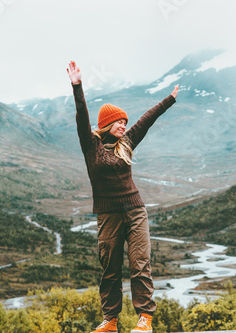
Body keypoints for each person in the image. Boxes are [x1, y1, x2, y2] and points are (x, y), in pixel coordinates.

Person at [66, 61, 179, 333]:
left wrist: (169, 100)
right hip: (108, 215)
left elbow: (146, 120)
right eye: (119, 121)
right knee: (110, 269)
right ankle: (111, 321)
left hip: (135, 210)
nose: (123, 125)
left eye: (125, 122)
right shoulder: (91, 146)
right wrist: (77, 86)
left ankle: (145, 319)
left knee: (140, 263)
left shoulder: (126, 143)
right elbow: (82, 116)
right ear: (106, 125)